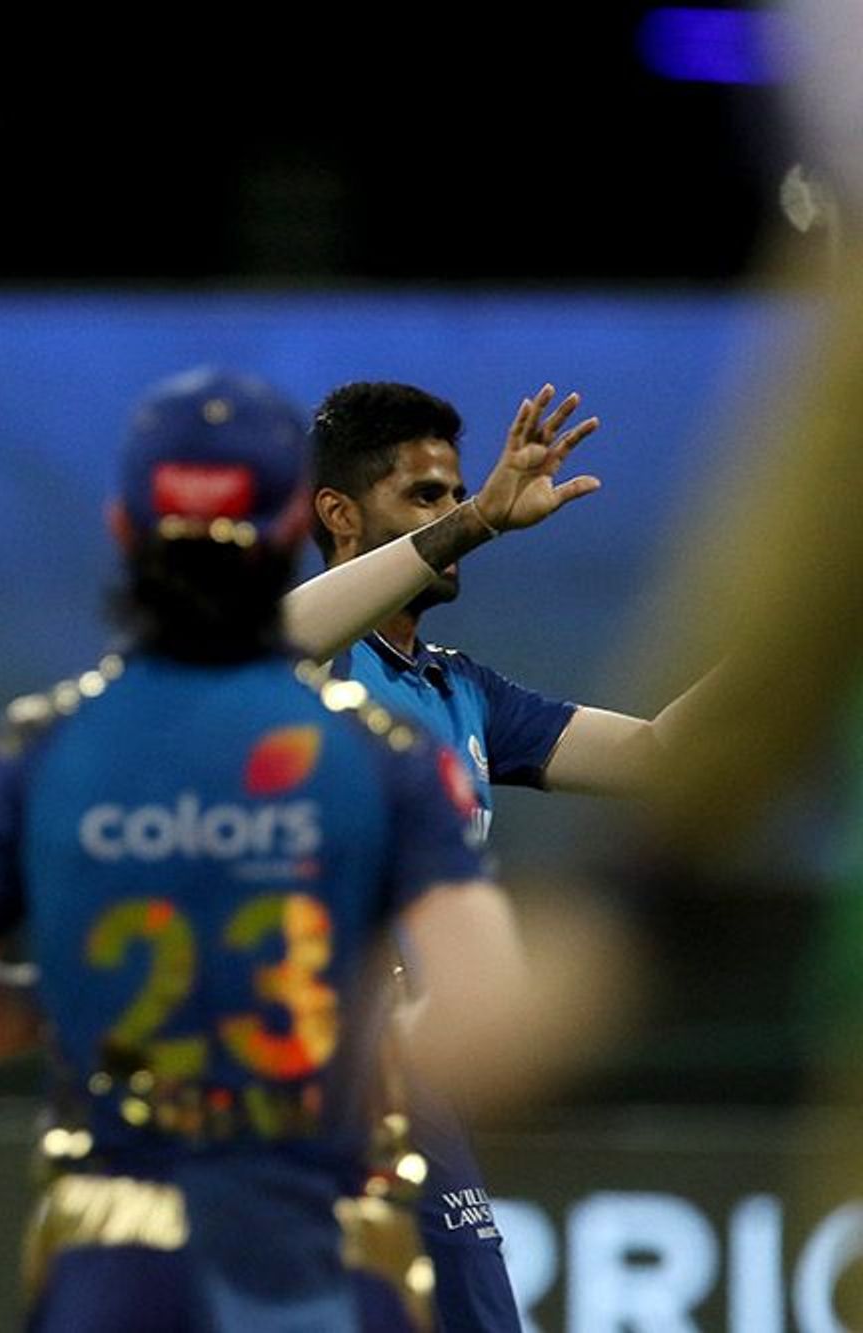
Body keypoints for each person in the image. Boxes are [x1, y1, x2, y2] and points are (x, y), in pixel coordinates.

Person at [0, 366, 530, 1331]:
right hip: (323, 1243)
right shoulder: (383, 759)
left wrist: (62, 1003)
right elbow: (491, 1013)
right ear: (288, 535)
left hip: (114, 1261)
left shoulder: (38, 747)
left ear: (123, 530)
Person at [310, 379, 712, 1331]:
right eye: (426, 495)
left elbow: (660, 754)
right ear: (337, 513)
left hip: (414, 1075)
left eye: (456, 493)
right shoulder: (298, 658)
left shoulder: (462, 691)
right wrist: (481, 521)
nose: (455, 510)